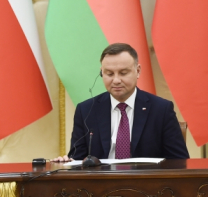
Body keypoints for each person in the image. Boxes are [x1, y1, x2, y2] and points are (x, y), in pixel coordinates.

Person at [52, 43, 189, 161]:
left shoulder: (161, 109)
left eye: (123, 73)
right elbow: (77, 159)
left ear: (138, 71)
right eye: (109, 74)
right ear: (102, 73)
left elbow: (179, 161)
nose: (116, 80)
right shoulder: (86, 110)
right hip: (100, 186)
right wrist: (65, 163)